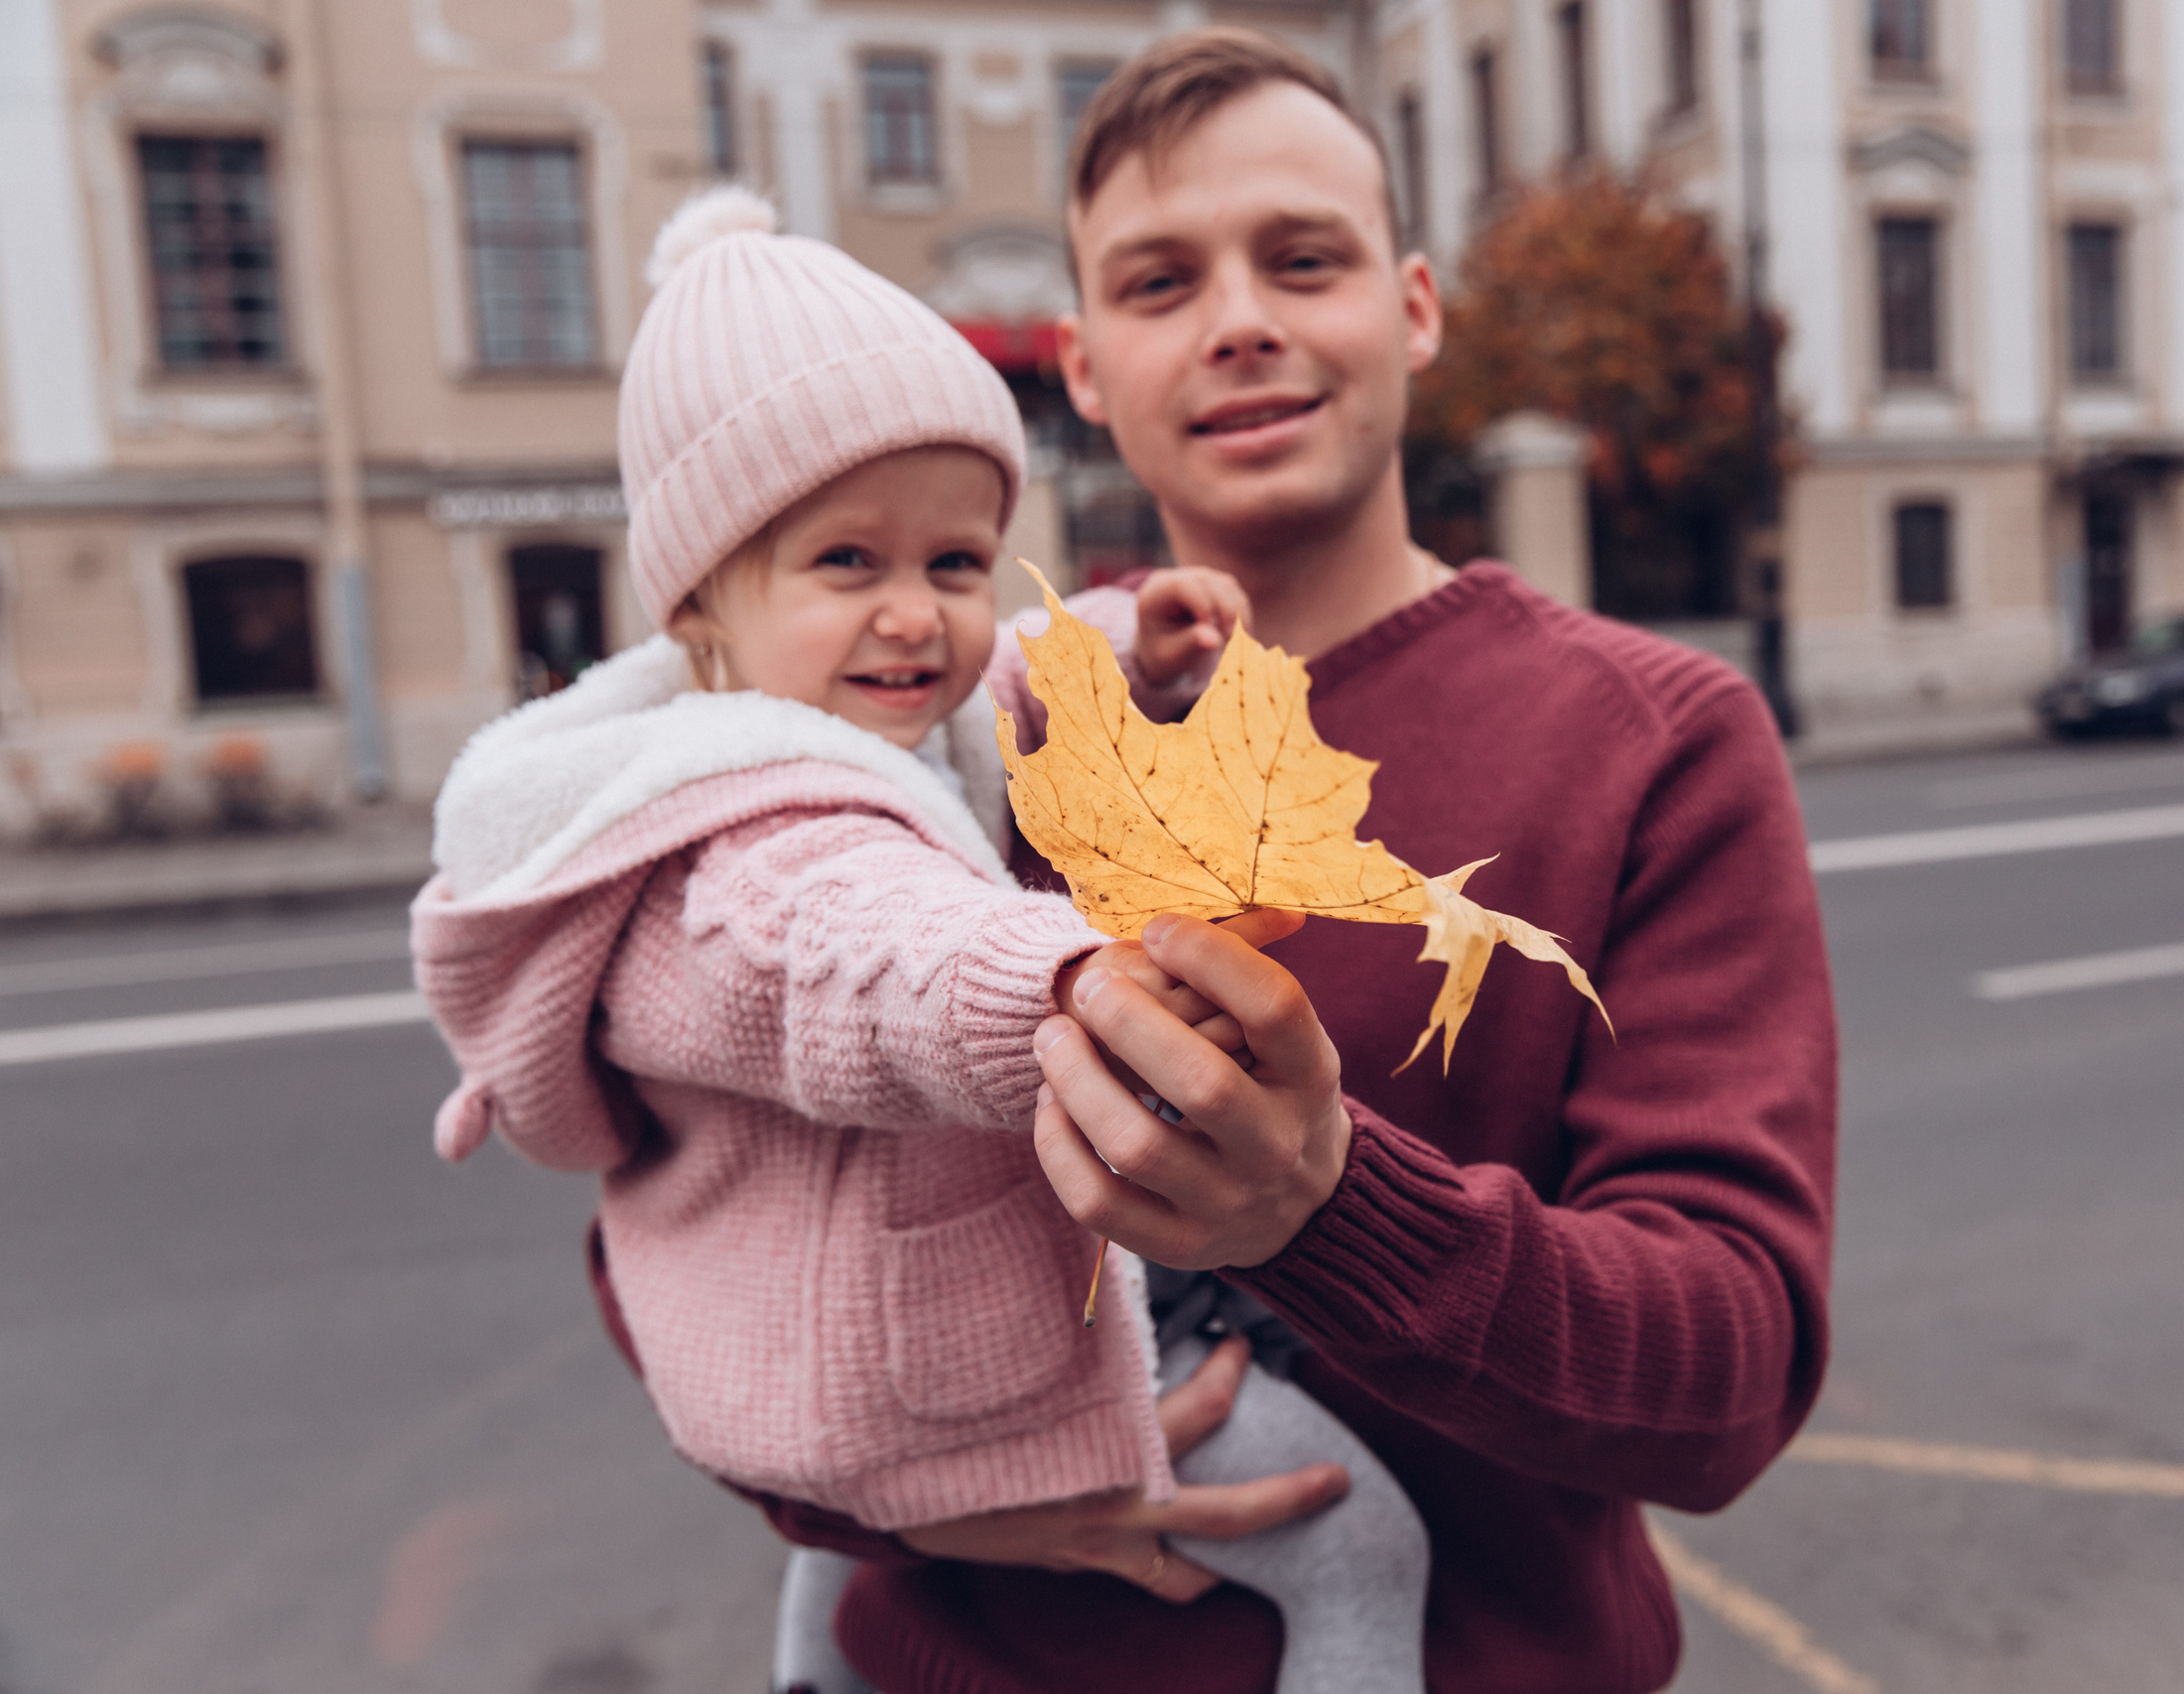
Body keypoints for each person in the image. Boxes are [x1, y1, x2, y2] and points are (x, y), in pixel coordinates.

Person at [746, 29, 1842, 1694]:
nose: (1241, 318)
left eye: (1302, 259)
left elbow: (1729, 1375)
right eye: (1162, 280)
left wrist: (1325, 1211)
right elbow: (667, 1225)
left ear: (1413, 308)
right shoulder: (947, 721)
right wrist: (899, 1508)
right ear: (1086, 365)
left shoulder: (1655, 742)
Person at [410, 187, 1429, 1694]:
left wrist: (1124, 646)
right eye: (848, 565)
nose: (917, 619)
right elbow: (865, 963)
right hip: (913, 1363)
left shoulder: (801, 709)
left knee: (842, 1544)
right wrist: (1073, 977)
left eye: (956, 562)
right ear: (702, 602)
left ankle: (812, 1675)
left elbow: (999, 677)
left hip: (810, 1344)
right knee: (1364, 1549)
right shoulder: (735, 851)